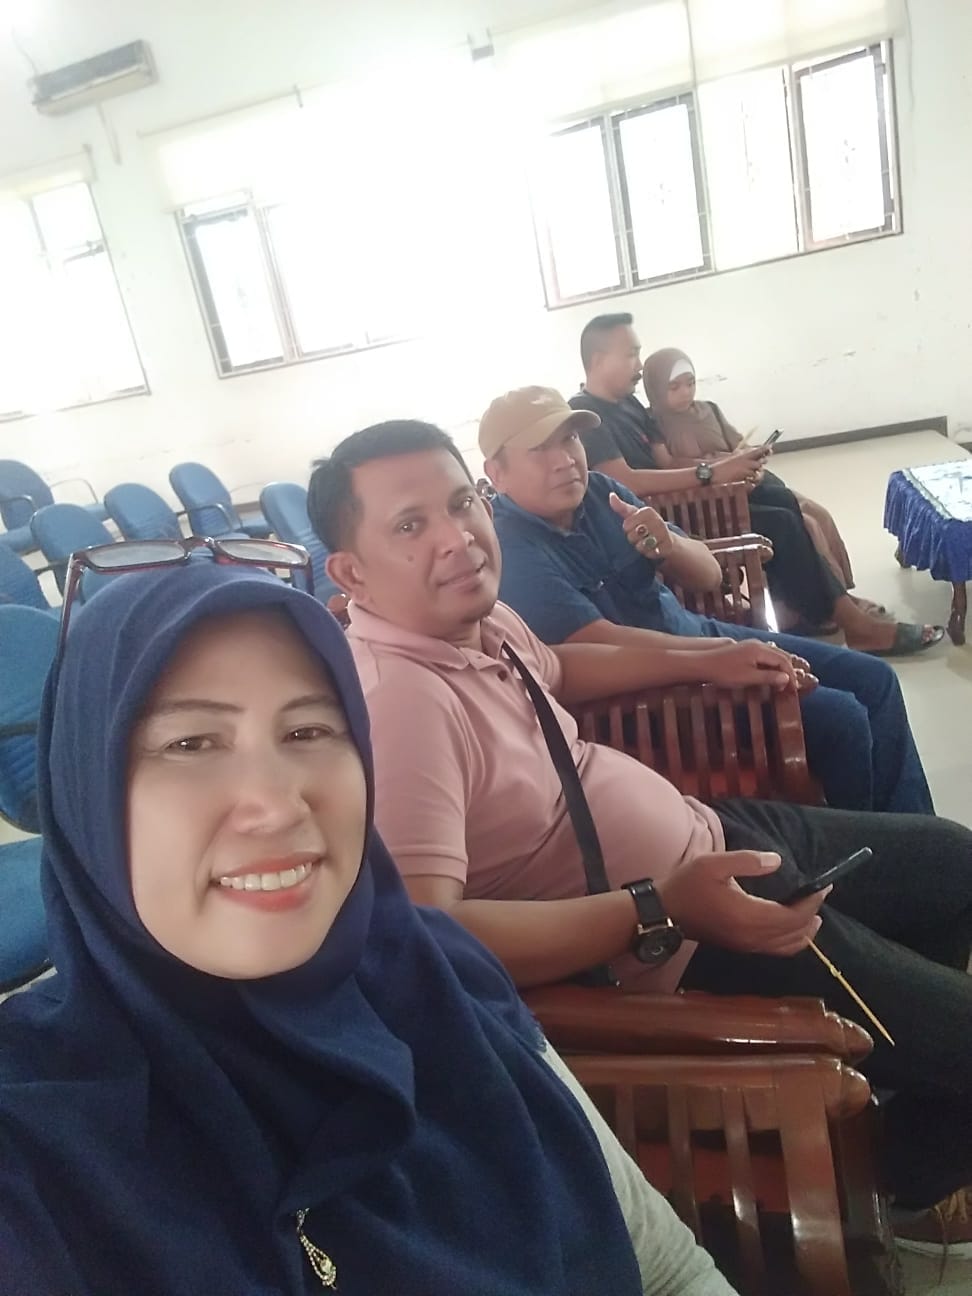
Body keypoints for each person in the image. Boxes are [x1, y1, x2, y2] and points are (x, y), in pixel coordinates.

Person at [0, 555, 740, 1296]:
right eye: (191, 744)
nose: (278, 805)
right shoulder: (35, 1145)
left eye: (308, 731)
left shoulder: (439, 976)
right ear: (86, 787)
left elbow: (669, 1272)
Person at [308, 418, 972, 1233]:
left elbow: (561, 666)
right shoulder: (401, 703)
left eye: (460, 504)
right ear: (352, 571)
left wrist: (708, 659)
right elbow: (429, 935)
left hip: (711, 839)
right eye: (411, 525)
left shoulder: (474, 619)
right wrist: (661, 908)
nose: (458, 538)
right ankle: (899, 1195)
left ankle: (909, 1090)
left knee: (953, 864)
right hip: (675, 939)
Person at [483, 385, 932, 816]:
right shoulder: (511, 549)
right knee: (842, 718)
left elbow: (709, 575)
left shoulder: (602, 493)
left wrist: (670, 547)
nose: (566, 460)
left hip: (701, 638)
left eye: (571, 439)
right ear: (496, 473)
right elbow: (596, 642)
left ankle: (919, 841)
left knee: (876, 679)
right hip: (656, 696)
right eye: (540, 449)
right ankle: (873, 854)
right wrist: (717, 657)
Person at [571, 313, 943, 656]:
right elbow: (625, 482)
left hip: (692, 500)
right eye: (631, 355)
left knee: (780, 499)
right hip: (670, 519)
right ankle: (854, 624)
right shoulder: (587, 414)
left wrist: (726, 466)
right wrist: (710, 475)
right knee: (780, 523)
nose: (639, 365)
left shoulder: (629, 405)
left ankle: (812, 608)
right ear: (599, 360)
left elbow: (666, 463)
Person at [641, 345, 862, 603]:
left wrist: (752, 455)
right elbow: (669, 466)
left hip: (748, 480)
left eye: (690, 383)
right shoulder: (654, 424)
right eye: (674, 387)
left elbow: (739, 445)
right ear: (656, 389)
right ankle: (827, 602)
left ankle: (841, 593)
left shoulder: (709, 410)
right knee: (805, 524)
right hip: (719, 494)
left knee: (818, 513)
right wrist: (721, 465)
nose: (686, 392)